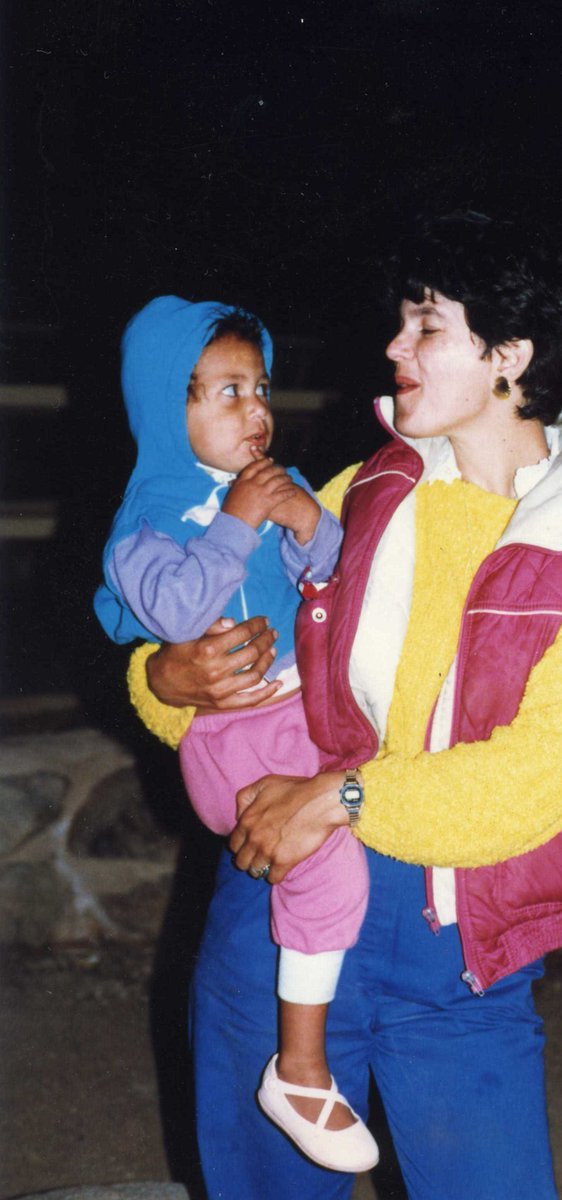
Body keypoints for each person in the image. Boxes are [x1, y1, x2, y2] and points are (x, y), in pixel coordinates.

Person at [129, 213, 562, 1200]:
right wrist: (163, 681)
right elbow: (217, 638)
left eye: (425, 325)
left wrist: (341, 797)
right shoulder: (361, 491)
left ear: (509, 356)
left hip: (457, 949)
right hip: (279, 910)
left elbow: (544, 774)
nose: (393, 346)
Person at [94, 295, 378, 1173]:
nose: (256, 410)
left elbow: (338, 577)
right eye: (227, 392)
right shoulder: (144, 523)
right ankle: (299, 1069)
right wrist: (239, 523)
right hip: (235, 743)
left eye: (260, 389)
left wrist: (306, 524)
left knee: (356, 839)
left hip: (297, 715)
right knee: (331, 866)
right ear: (165, 407)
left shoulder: (264, 490)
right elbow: (176, 612)